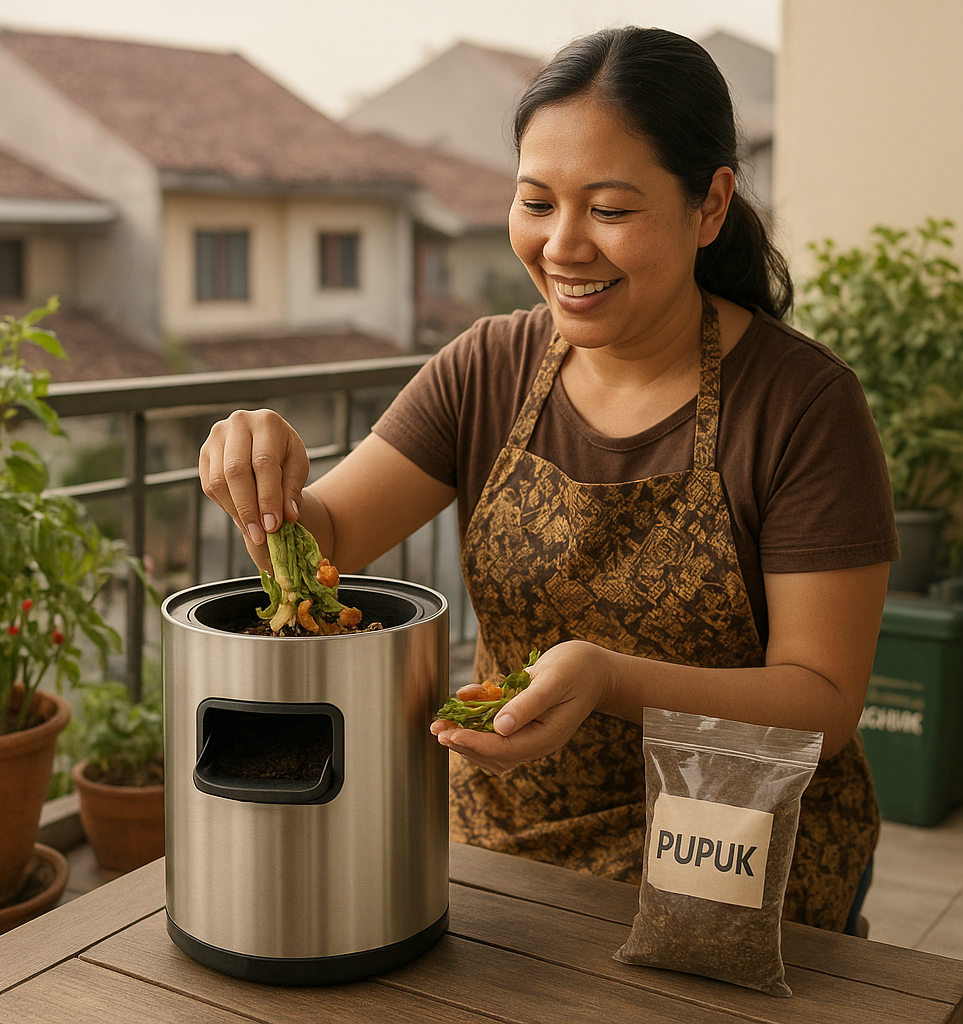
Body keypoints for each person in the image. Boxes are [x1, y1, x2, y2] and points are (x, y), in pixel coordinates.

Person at [199, 26, 899, 933]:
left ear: (711, 205)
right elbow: (326, 537)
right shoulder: (487, 366)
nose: (563, 247)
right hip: (499, 832)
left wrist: (607, 681)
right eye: (536, 202)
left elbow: (822, 702)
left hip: (730, 841)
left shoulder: (803, 407)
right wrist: (260, 467)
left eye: (610, 209)